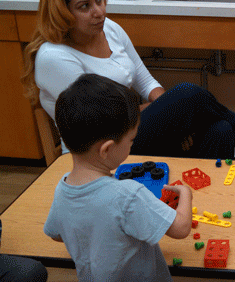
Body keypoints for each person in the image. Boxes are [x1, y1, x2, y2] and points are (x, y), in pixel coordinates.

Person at [21, 0, 235, 161]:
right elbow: (105, 120)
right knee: (188, 94)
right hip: (99, 152)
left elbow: (145, 80)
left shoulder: (108, 28)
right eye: (84, 6)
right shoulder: (54, 57)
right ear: (61, 12)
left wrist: (175, 119)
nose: (98, 11)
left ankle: (200, 206)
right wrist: (172, 112)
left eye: (99, 0)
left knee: (219, 128)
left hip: (131, 133)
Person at [44, 74, 192, 281]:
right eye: (131, 140)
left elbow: (55, 233)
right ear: (106, 149)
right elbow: (181, 228)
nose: (132, 145)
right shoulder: (128, 195)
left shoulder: (63, 189)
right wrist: (186, 194)